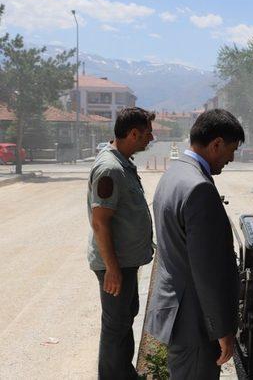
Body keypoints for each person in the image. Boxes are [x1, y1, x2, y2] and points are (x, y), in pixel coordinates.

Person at [147, 109, 244, 379]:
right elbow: (207, 271)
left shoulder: (174, 174)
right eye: (231, 150)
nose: (232, 158)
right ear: (216, 144)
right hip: (196, 323)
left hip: (176, 312)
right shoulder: (199, 188)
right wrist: (222, 328)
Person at [87, 107, 156, 379]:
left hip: (125, 262)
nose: (150, 139)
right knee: (116, 328)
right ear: (133, 133)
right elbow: (100, 222)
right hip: (115, 265)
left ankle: (124, 374)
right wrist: (112, 269)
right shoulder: (110, 168)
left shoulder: (122, 161)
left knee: (125, 321)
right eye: (147, 134)